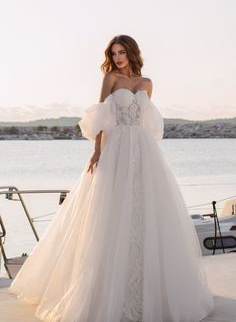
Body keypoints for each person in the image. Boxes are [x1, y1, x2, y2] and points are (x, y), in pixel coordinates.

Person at [10, 34, 215, 322]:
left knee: (145, 215)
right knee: (110, 214)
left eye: (122, 52)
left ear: (132, 53)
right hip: (116, 149)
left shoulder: (147, 84)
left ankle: (147, 289)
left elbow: (145, 119)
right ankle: (104, 289)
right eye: (114, 53)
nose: (118, 57)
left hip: (143, 152)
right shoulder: (110, 79)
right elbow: (101, 118)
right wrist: (96, 152)